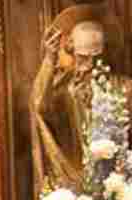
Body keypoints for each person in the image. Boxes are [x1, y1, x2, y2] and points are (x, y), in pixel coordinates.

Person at [32, 19, 132, 189]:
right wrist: (50, 59)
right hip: (73, 179)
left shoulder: (124, 87)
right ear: (72, 51)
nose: (89, 65)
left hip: (114, 182)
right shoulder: (63, 89)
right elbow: (39, 106)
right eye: (83, 57)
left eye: (96, 56)